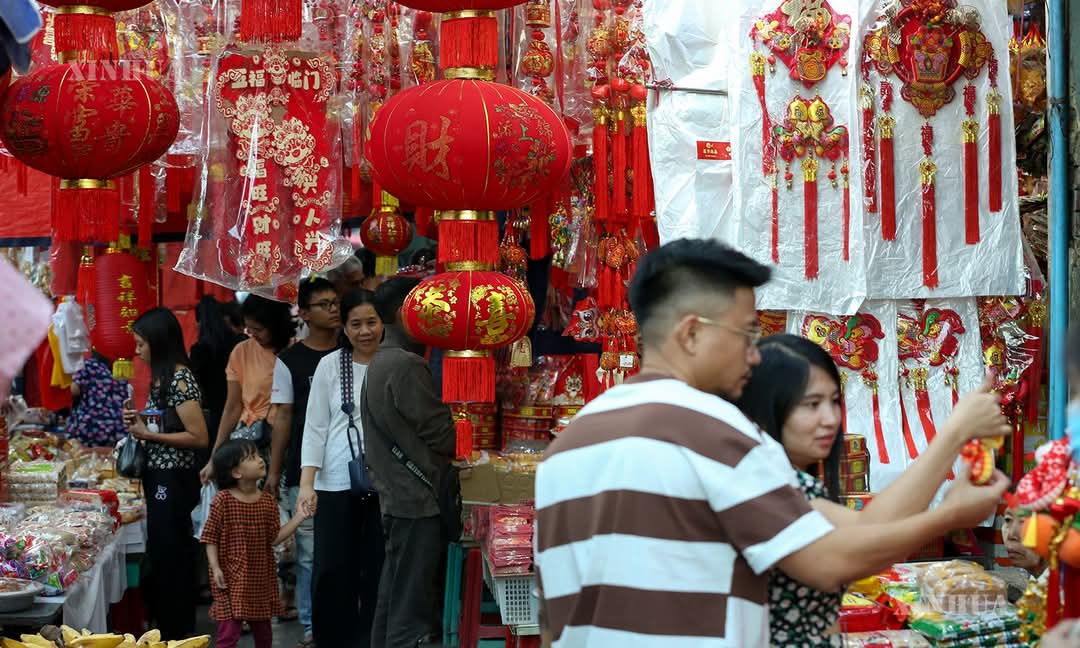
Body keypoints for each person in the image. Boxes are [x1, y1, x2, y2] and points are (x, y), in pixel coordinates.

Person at [534, 239, 1008, 648]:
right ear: (692, 333)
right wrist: (950, 514)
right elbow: (829, 562)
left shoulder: (567, 446)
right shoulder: (713, 431)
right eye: (747, 333)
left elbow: (552, 623)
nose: (755, 354)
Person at [736, 334, 1012, 646]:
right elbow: (846, 558)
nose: (831, 418)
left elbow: (871, 526)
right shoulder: (759, 481)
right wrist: (949, 508)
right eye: (812, 404)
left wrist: (954, 438)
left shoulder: (788, 481)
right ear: (766, 408)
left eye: (834, 401)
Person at [364, 277, 455, 648]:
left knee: (394, 596)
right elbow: (441, 433)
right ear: (406, 312)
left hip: (398, 495)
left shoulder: (382, 361)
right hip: (415, 498)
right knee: (411, 606)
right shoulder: (405, 365)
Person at [297, 290, 386, 648]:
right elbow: (315, 426)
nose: (365, 331)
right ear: (345, 328)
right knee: (333, 568)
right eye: (356, 324)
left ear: (383, 323)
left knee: (379, 567)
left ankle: (374, 640)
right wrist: (307, 484)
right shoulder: (330, 366)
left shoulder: (397, 362)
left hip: (387, 483)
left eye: (371, 322)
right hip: (334, 480)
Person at [124, 308, 209, 640]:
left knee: (172, 552)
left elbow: (198, 436)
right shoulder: (162, 377)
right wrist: (140, 424)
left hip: (173, 479)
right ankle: (167, 628)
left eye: (140, 343)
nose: (137, 351)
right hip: (159, 476)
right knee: (162, 552)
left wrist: (149, 435)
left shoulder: (179, 378)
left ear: (158, 342)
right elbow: (167, 425)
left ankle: (178, 632)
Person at [268, 277, 341, 646]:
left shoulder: (352, 350)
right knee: (310, 553)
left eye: (335, 302)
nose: (333, 309)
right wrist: (275, 471)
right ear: (305, 314)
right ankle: (313, 625)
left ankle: (344, 619)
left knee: (344, 547)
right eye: (323, 304)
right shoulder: (289, 361)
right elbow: (283, 417)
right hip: (305, 467)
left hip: (348, 467)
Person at [202, 439, 311, 648]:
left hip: (259, 579)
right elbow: (210, 537)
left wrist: (299, 517)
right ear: (236, 473)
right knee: (228, 635)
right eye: (251, 458)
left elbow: (274, 537)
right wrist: (215, 568)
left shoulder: (268, 502)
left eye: (259, 456)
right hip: (229, 579)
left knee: (264, 636)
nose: (261, 460)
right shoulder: (223, 501)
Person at [202, 295, 297, 484]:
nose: (253, 334)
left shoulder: (297, 351)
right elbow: (232, 408)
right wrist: (214, 457)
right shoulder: (242, 351)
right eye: (249, 328)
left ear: (275, 325)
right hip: (251, 444)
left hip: (290, 443)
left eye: (258, 329)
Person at [190, 296, 245, 451]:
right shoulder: (238, 343)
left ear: (199, 322)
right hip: (242, 410)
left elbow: (195, 384)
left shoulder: (199, 350)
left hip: (214, 413)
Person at [67, 351, 129, 447]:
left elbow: (73, 390)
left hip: (89, 430)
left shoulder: (87, 365)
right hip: (118, 432)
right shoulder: (122, 368)